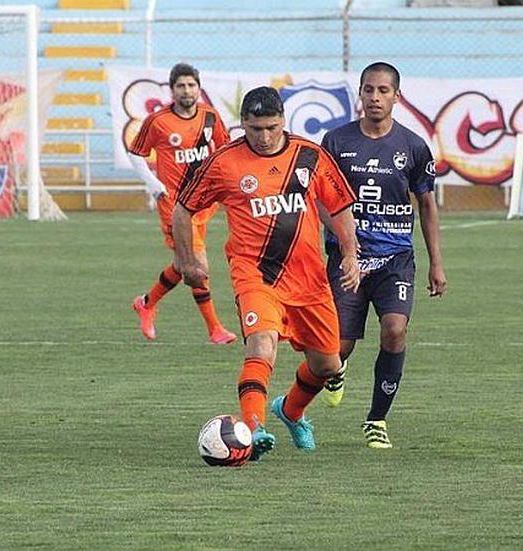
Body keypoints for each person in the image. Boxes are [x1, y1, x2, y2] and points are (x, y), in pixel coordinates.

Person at [173, 86, 361, 460]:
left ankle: (290, 412)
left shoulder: (309, 156)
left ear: (283, 122)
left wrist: (351, 254)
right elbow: (182, 209)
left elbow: (338, 206)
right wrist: (188, 261)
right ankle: (253, 429)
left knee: (327, 364)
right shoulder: (224, 162)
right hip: (256, 274)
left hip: (309, 278)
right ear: (243, 124)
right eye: (255, 128)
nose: (263, 136)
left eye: (271, 127)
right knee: (261, 344)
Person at [319, 62, 448, 449]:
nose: (375, 98)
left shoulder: (413, 146)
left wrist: (437, 263)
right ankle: (335, 371)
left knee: (394, 329)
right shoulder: (336, 142)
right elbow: (322, 199)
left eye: (383, 91)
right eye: (369, 90)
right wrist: (345, 245)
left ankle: (377, 419)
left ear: (396, 95)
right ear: (360, 93)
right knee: (337, 349)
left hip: (395, 260)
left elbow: (426, 204)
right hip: (348, 260)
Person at [126, 62, 237, 345]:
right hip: (175, 206)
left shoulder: (210, 117)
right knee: (197, 266)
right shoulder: (158, 121)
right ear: (172, 90)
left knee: (182, 263)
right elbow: (136, 153)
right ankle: (215, 328)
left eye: (191, 85)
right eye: (181, 86)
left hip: (203, 202)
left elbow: (224, 152)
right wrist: (156, 187)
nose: (187, 90)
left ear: (198, 88)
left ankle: (146, 303)